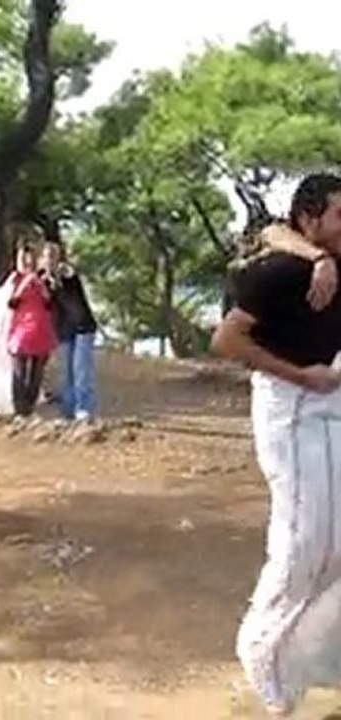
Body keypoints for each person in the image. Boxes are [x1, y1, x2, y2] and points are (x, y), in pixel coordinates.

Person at [211, 173, 341, 716]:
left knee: (335, 542)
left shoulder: (324, 257)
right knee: (301, 540)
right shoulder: (281, 273)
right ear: (309, 218)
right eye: (339, 214)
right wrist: (298, 375)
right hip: (291, 411)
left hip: (332, 407)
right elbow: (225, 339)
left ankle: (311, 659)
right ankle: (263, 653)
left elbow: (272, 228)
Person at [40, 240, 98, 422]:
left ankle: (83, 408)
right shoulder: (43, 281)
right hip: (64, 330)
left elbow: (69, 278)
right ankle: (68, 410)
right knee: (67, 372)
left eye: (53, 256)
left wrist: (57, 276)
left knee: (81, 369)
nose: (50, 260)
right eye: (47, 256)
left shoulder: (67, 273)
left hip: (82, 326)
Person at [7, 244, 57, 419]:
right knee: (19, 371)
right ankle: (19, 410)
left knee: (36, 373)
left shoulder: (44, 279)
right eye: (23, 260)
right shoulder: (14, 279)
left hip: (40, 329)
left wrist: (41, 285)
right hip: (20, 330)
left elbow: (51, 303)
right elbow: (11, 303)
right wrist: (24, 285)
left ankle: (29, 409)